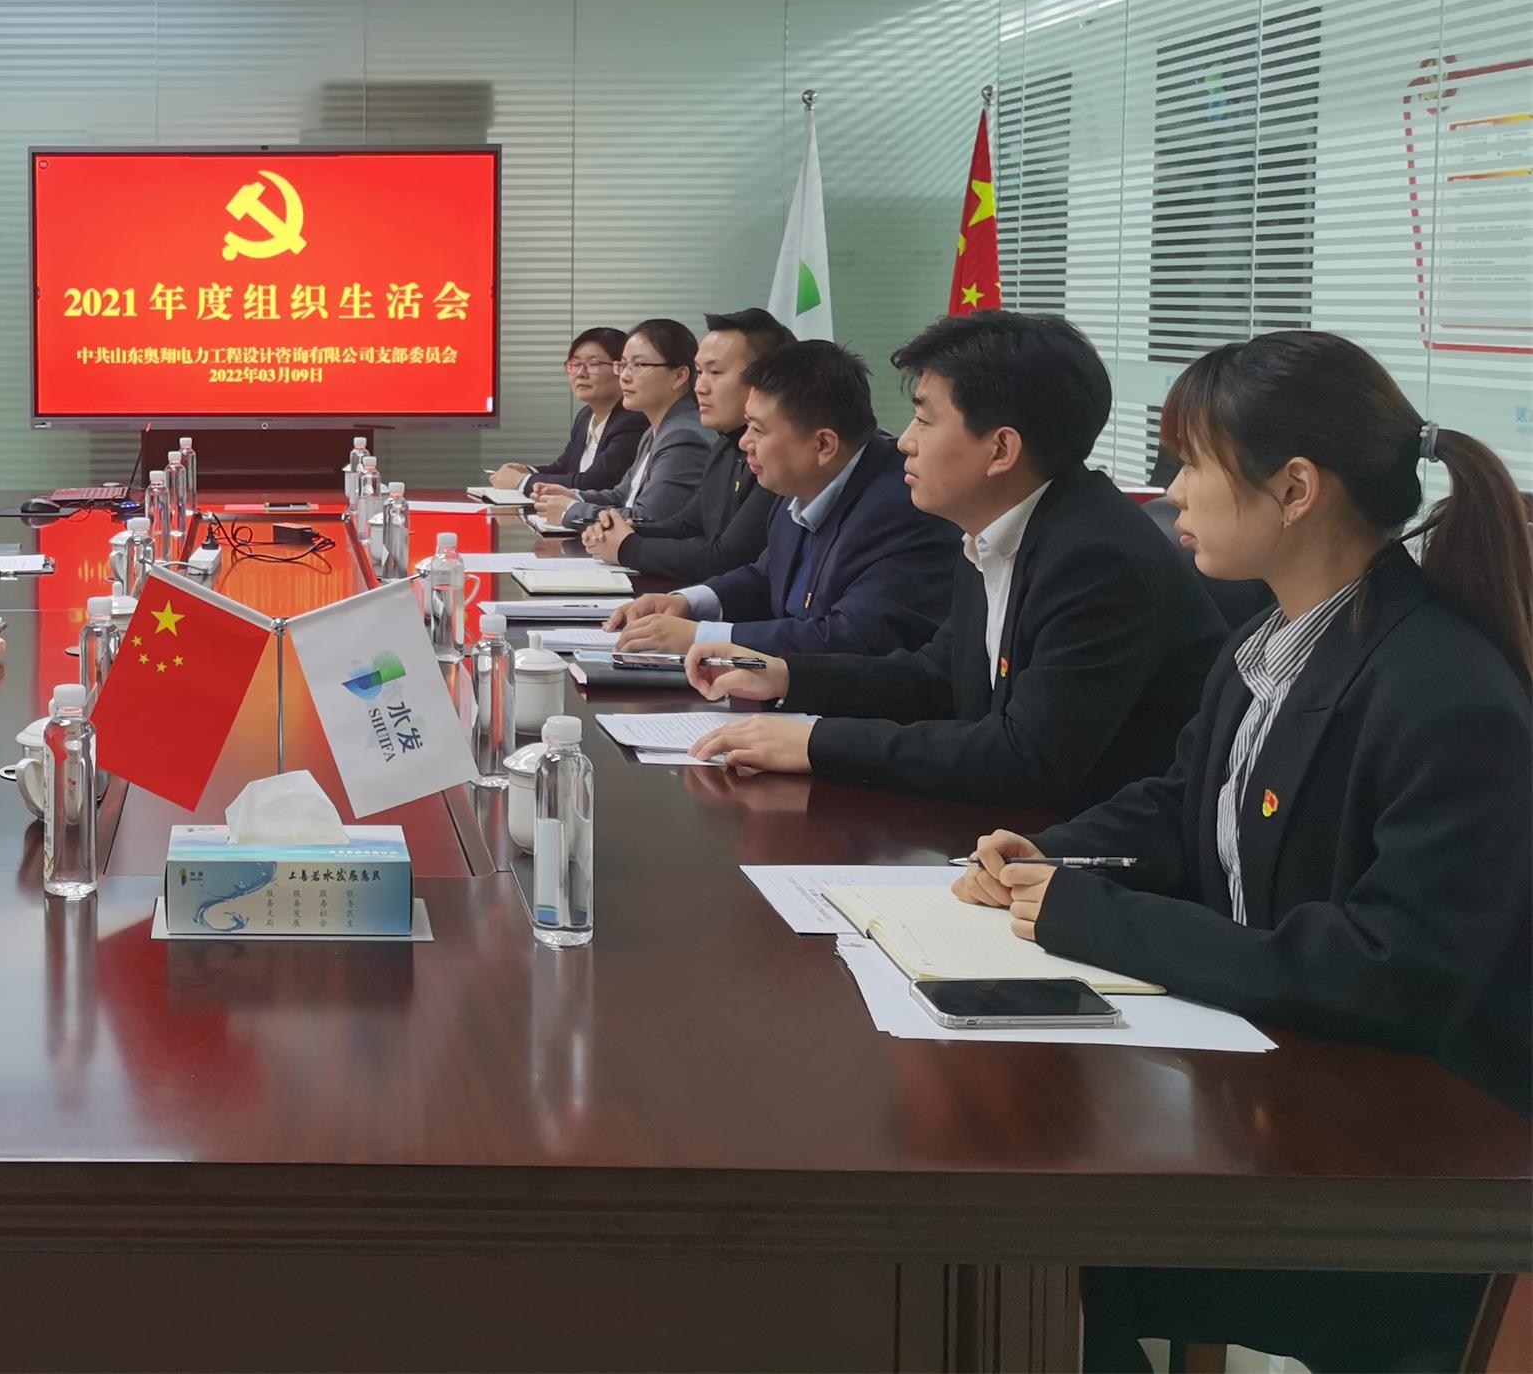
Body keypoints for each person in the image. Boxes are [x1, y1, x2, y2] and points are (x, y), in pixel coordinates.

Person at [951, 332, 1532, 1373]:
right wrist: (1050, 856)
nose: (1170, 490)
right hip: (1286, 1091)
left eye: (1190, 463)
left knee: (1030, 1255)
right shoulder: (1272, 637)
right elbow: (1188, 802)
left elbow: (1389, 968)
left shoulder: (1442, 688)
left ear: (1295, 488)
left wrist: (1092, 916)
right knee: (1013, 1213)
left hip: (1411, 1170)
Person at [687, 312, 1227, 813]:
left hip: (1080, 847)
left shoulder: (1096, 561)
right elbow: (937, 677)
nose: (905, 442)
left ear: (1001, 450)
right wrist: (785, 676)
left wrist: (815, 741)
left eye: (925, 420)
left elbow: (1025, 756)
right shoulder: (996, 527)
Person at [605, 338, 956, 657]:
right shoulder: (799, 484)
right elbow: (768, 576)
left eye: (758, 430)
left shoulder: (902, 507)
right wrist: (689, 603)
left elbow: (852, 636)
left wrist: (702, 637)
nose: (745, 443)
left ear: (823, 445)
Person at [587, 308, 786, 576]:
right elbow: (688, 524)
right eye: (699, 372)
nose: (700, 387)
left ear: (764, 380)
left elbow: (729, 556)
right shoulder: (726, 444)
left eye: (715, 372)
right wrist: (626, 530)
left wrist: (628, 547)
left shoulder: (777, 455)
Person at [531, 319, 713, 538]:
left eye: (638, 365)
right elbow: (622, 495)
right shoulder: (655, 431)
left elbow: (647, 519)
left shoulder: (684, 437)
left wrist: (570, 511)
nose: (625, 376)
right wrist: (575, 496)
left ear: (679, 376)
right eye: (624, 365)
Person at [487, 328, 640, 494]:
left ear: (621, 368)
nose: (580, 373)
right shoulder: (586, 416)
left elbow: (596, 482)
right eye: (575, 364)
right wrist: (528, 471)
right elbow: (564, 468)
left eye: (593, 364)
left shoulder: (633, 420)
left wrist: (523, 481)